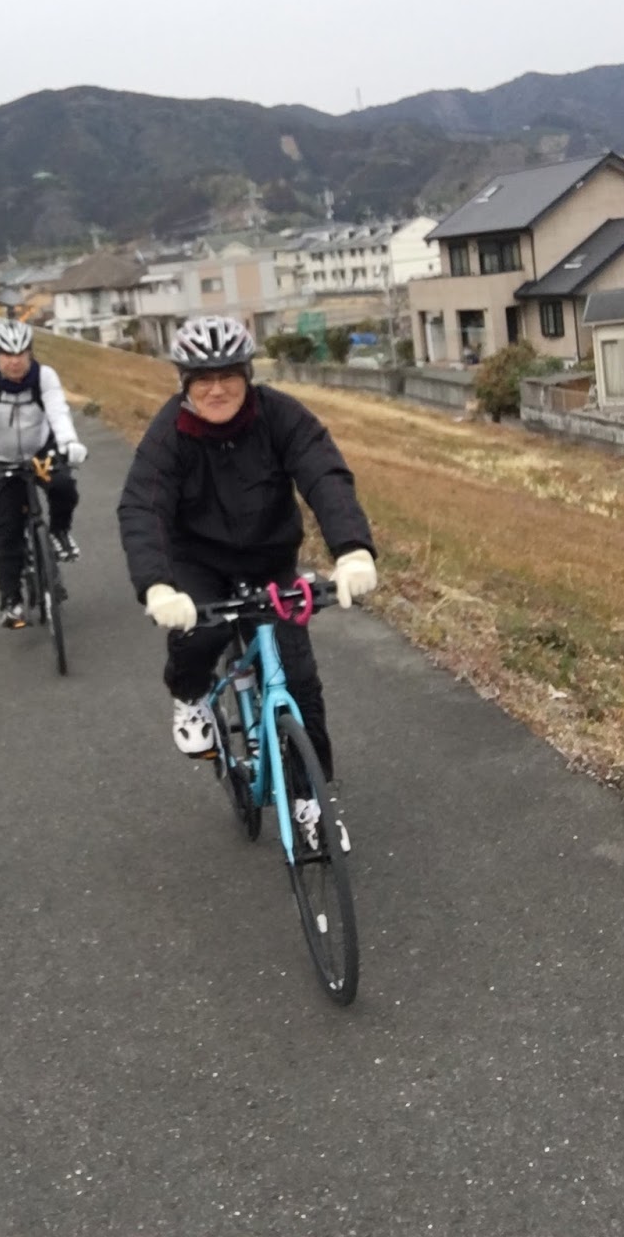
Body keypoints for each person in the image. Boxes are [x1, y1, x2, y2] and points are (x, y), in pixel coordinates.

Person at [117, 315, 377, 847]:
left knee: (300, 680)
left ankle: (310, 801)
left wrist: (352, 551)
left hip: (268, 559)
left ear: (248, 375)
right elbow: (143, 507)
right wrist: (158, 586)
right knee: (202, 631)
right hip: (199, 562)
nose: (217, 388)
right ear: (184, 383)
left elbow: (323, 473)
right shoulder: (169, 434)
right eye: (202, 378)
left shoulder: (280, 416)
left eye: (229, 374)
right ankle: (190, 695)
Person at [0, 317, 88, 629]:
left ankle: (59, 532)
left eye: (21, 354)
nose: (15, 361)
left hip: (40, 453)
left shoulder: (44, 376)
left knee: (63, 485)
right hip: (0, 459)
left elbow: (58, 412)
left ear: (30, 353)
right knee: (6, 531)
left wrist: (70, 442)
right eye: (7, 354)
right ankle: (11, 601)